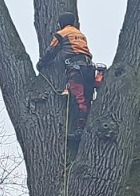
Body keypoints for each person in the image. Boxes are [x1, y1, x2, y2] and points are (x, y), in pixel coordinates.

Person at [37, 15, 105, 144]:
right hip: (88, 68)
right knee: (86, 99)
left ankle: (80, 130)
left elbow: (51, 50)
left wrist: (42, 63)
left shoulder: (62, 33)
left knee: (78, 98)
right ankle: (84, 125)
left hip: (76, 69)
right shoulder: (80, 35)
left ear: (60, 24)